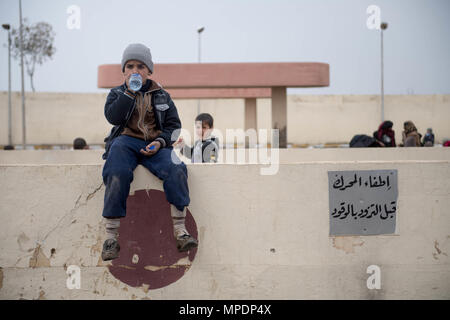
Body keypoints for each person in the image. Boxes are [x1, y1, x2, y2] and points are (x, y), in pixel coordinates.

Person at [100, 43, 198, 261]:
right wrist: (128, 93)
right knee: (116, 170)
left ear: (149, 71)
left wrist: (161, 143)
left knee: (177, 168)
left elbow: (174, 127)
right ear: (124, 70)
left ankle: (180, 231)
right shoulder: (117, 93)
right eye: (130, 66)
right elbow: (113, 117)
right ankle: (111, 237)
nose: (135, 71)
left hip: (156, 144)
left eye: (141, 67)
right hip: (125, 142)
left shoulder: (162, 95)